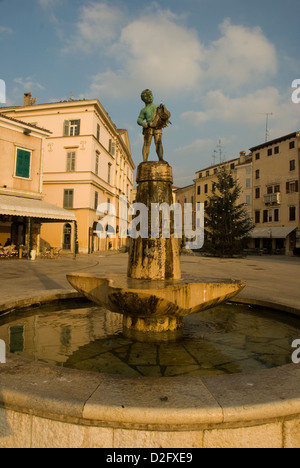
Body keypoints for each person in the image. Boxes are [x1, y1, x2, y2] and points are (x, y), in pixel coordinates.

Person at [137, 89, 171, 162]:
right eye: (147, 96)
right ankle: (144, 160)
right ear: (143, 99)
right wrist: (144, 124)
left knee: (159, 143)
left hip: (157, 126)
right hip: (148, 127)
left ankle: (161, 158)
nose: (150, 97)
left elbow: (165, 115)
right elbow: (139, 120)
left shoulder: (158, 107)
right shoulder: (144, 110)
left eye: (150, 95)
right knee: (146, 144)